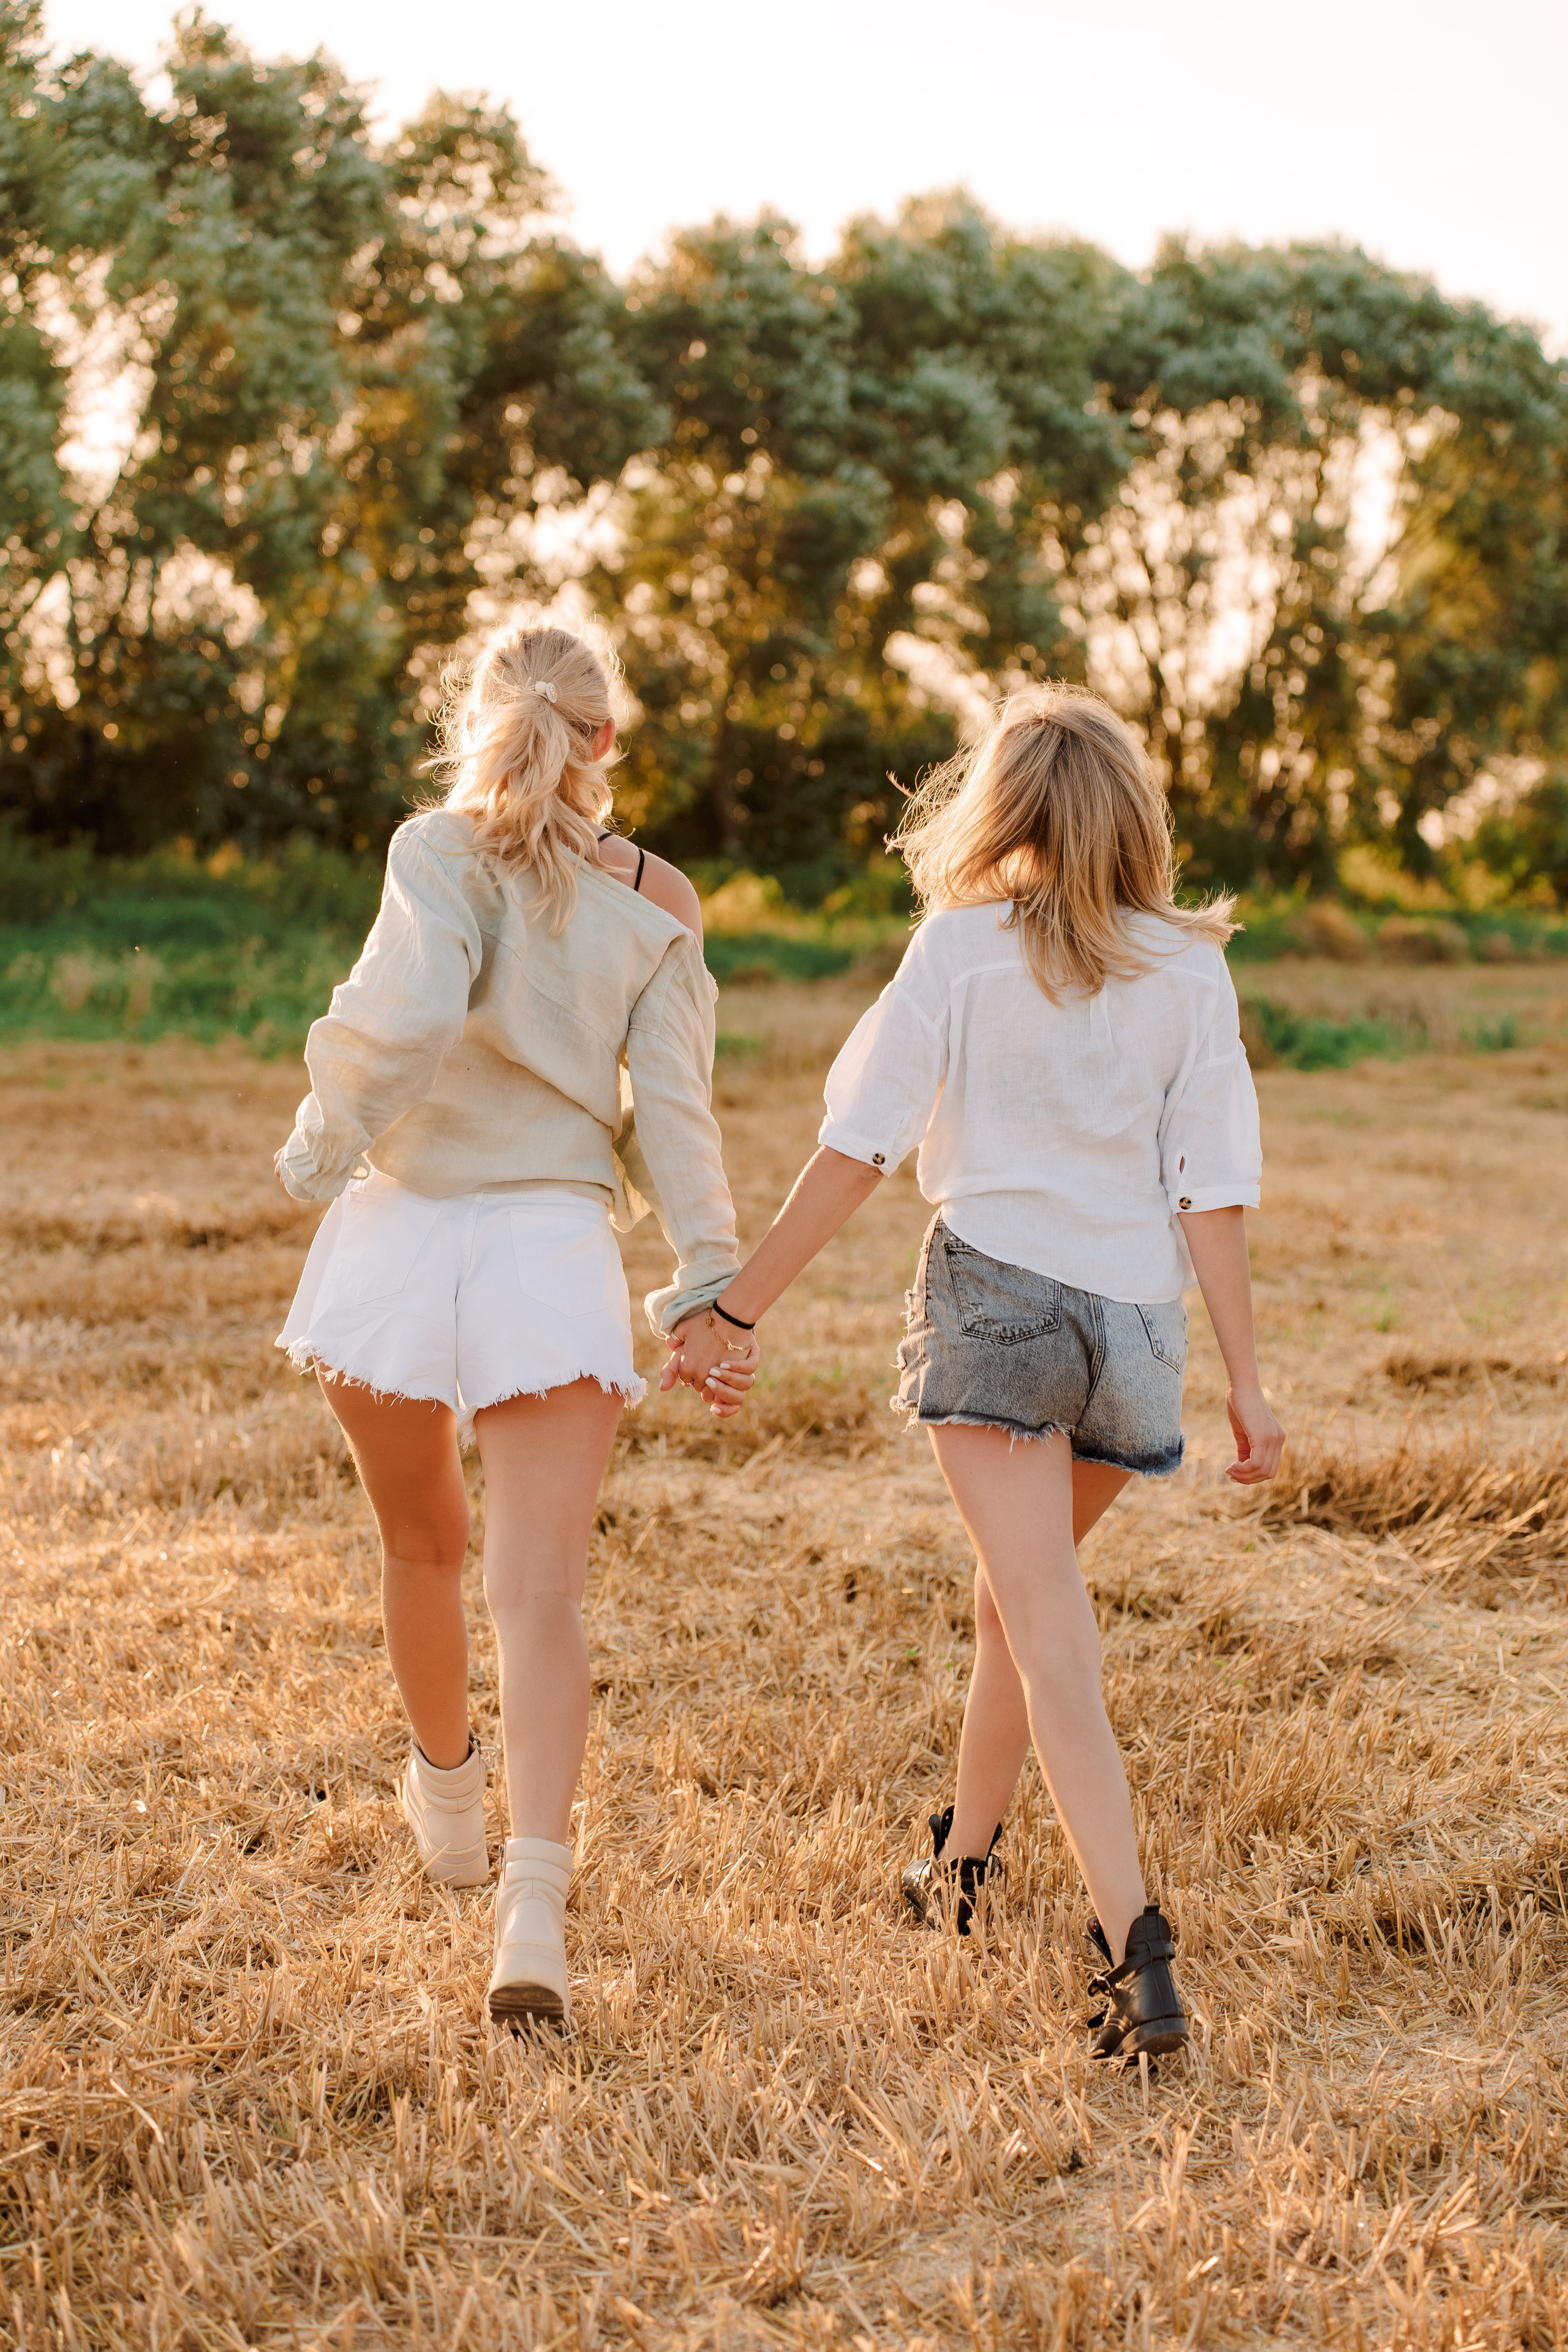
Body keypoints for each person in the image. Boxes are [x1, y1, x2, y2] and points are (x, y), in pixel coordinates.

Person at [665, 684, 1284, 2063]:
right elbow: (1214, 1190)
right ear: (1131, 812)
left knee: (1042, 1622)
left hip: (999, 1304)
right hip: (1132, 1331)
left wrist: (737, 1305)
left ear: (999, 811)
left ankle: (1135, 1943)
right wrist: (1242, 1380)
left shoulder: (957, 951)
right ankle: (959, 1861)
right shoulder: (1189, 969)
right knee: (1021, 1602)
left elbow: (860, 1145)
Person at [273, 614, 756, 2029]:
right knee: (540, 1595)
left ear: (481, 717)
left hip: (399, 1240)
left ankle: (444, 1801)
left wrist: (315, 1148)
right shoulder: (660, 898)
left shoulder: (433, 849)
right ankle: (528, 1910)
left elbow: (398, 1016)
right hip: (548, 1246)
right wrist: (703, 1285)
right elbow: (675, 1112)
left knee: (419, 1546)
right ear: (608, 738)